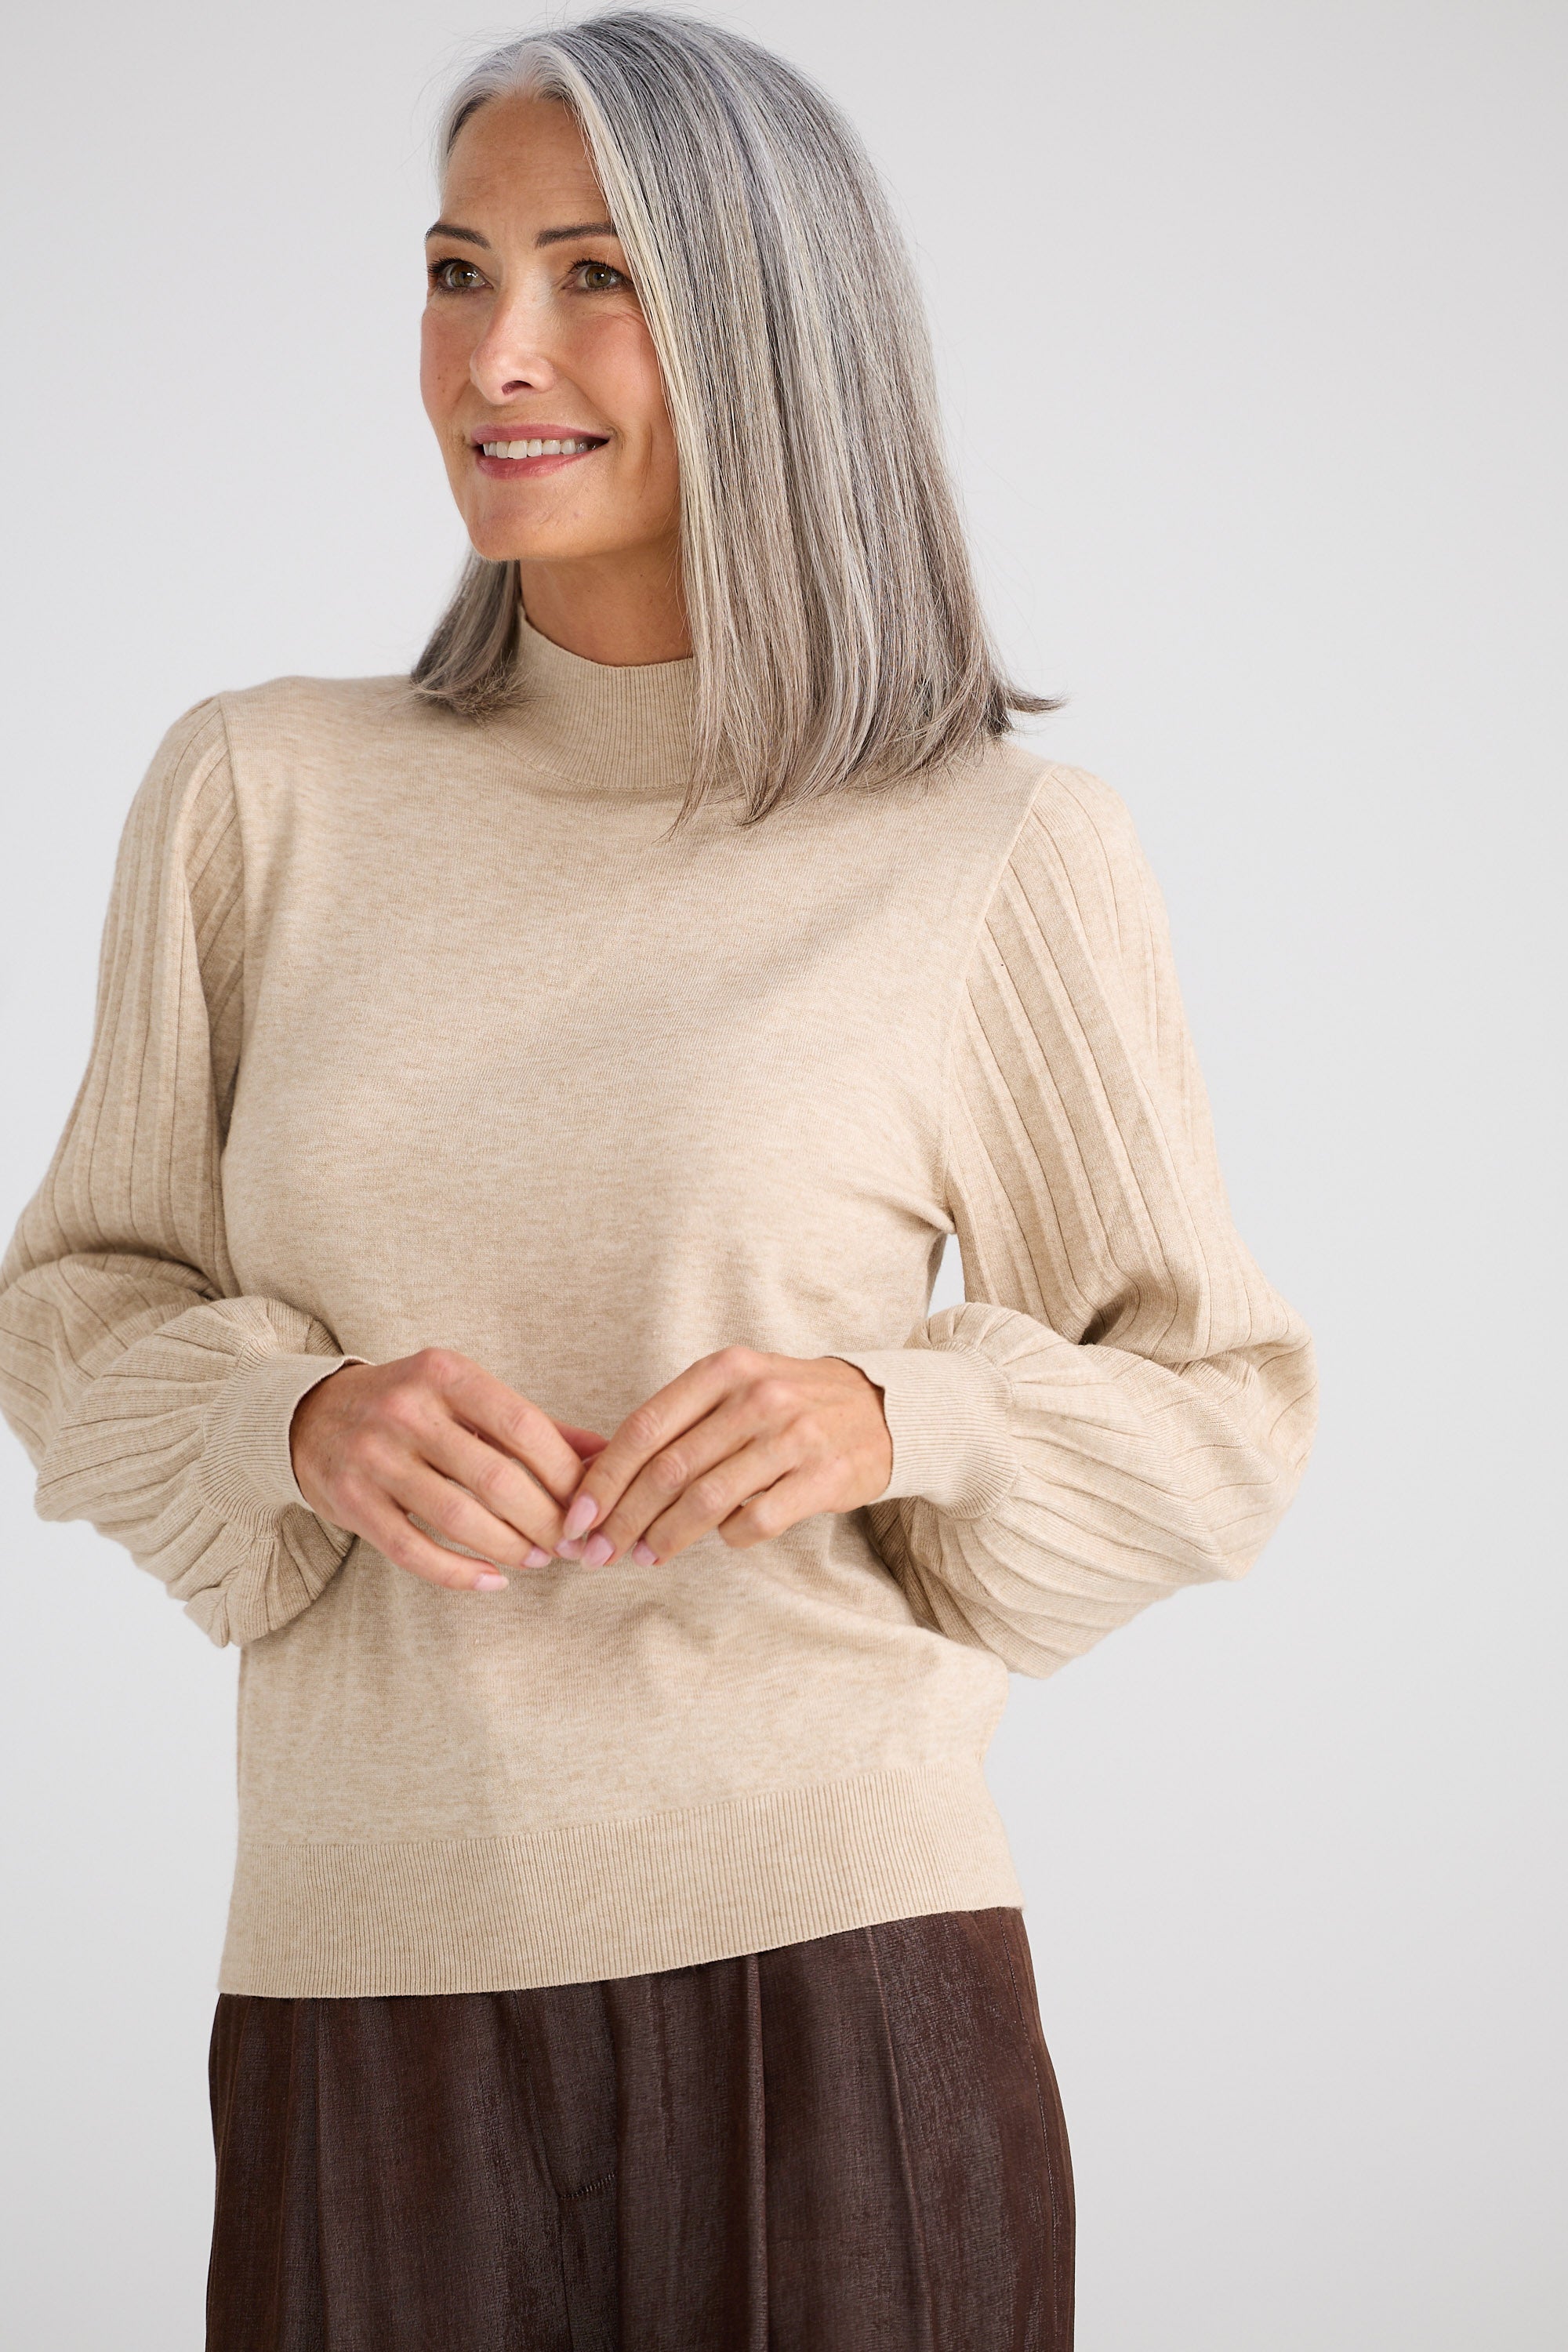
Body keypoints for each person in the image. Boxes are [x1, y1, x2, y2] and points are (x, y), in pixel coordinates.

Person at [0, 12, 1319, 2348]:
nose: (495, 355)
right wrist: (281, 1418)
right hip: (360, 1981)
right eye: (454, 269)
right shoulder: (259, 794)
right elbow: (68, 1302)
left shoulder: (992, 848)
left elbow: (1220, 1413)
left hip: (842, 1981)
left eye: (593, 274)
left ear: (761, 325)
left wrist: (904, 1414)